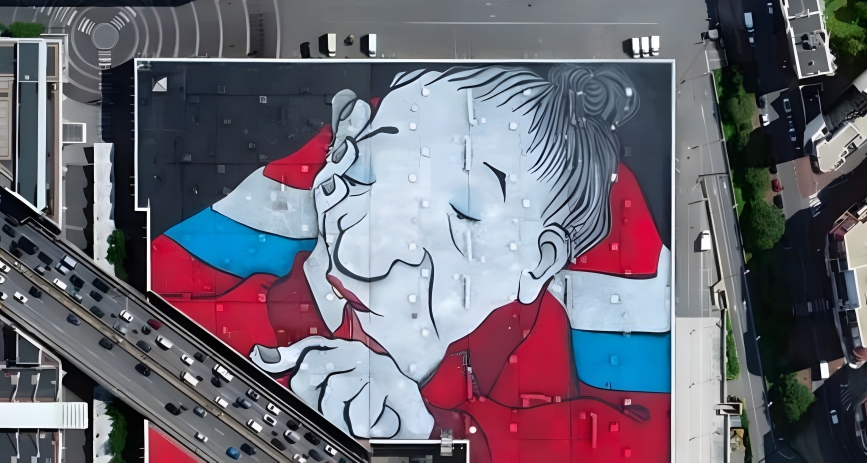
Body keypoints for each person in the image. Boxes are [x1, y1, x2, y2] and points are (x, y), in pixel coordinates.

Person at [151, 65, 670, 460]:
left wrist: (436, 439)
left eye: (463, 213)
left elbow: (643, 440)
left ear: (539, 261)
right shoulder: (240, 324)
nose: (359, 257)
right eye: (364, 175)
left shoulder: (547, 354)